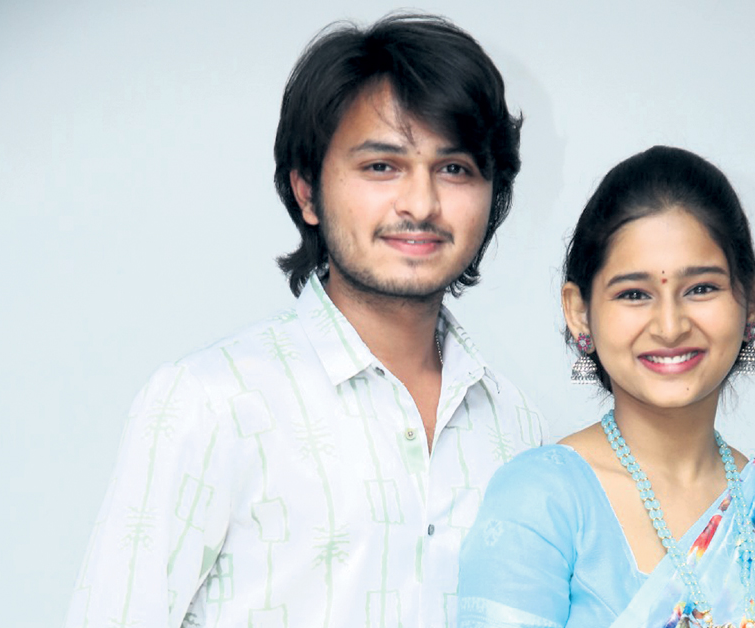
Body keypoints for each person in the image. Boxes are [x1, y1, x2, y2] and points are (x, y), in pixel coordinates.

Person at [65, 13, 548, 628]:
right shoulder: (213, 404)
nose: (421, 204)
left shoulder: (516, 426)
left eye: (454, 169)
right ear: (307, 191)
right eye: (382, 166)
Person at [456, 146, 755, 628]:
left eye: (701, 288)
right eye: (634, 294)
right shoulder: (540, 501)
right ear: (579, 312)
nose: (670, 327)